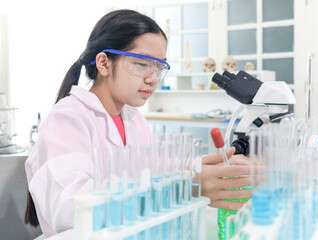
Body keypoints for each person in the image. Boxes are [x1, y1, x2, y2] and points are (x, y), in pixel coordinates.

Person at [24, 9, 251, 238]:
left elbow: (161, 169)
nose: (153, 78)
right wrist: (181, 188)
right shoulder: (68, 118)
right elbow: (69, 210)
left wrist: (206, 168)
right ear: (103, 63)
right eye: (142, 63)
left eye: (159, 67)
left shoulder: (134, 119)